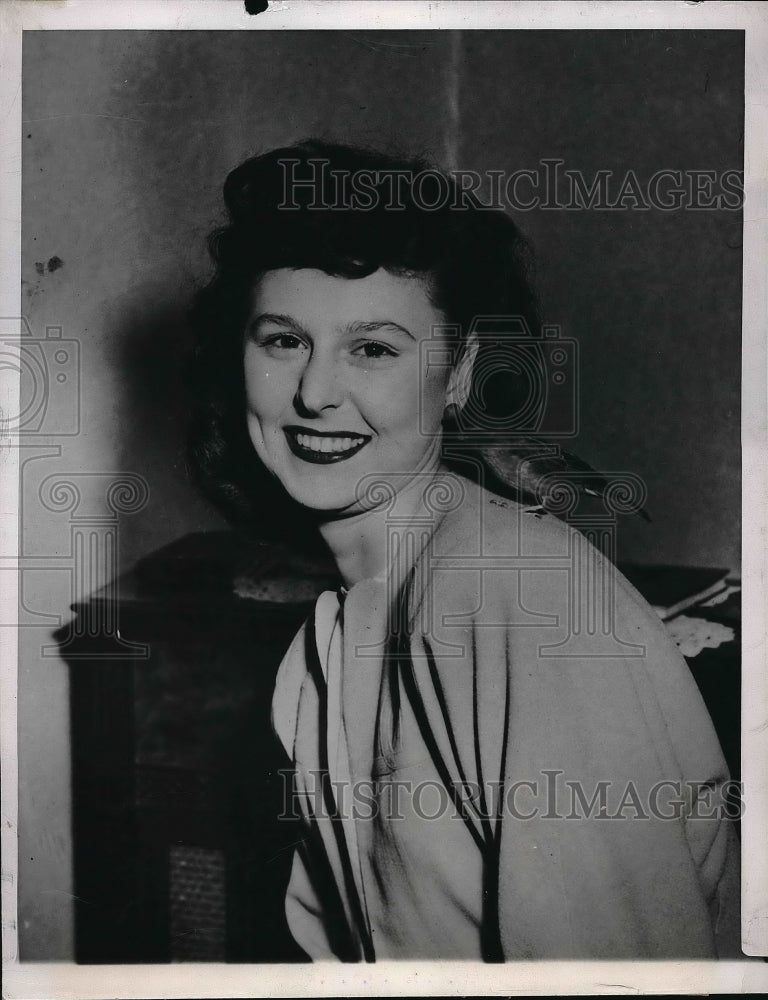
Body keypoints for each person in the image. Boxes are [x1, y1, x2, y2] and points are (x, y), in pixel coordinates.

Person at [187, 140, 741, 961]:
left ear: (458, 373)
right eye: (282, 340)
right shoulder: (349, 617)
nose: (312, 393)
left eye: (373, 348)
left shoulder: (516, 595)